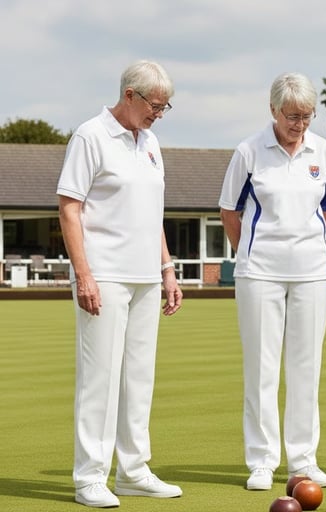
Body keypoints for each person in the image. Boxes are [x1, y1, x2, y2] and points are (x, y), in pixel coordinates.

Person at [57, 60, 183, 508]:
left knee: (139, 378)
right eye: (155, 106)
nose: (159, 115)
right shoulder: (90, 136)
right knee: (100, 378)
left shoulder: (150, 142)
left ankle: (133, 471)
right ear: (129, 95)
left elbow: (153, 214)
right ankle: (90, 477)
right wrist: (84, 275)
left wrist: (167, 269)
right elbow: (69, 208)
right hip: (105, 275)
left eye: (165, 107)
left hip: (147, 275)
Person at [219, 72, 326, 491]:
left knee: (307, 367)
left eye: (307, 116)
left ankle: (303, 461)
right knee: (262, 368)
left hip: (312, 272)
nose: (299, 124)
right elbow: (229, 212)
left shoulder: (323, 151)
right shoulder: (248, 151)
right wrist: (249, 252)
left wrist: (303, 243)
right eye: (292, 116)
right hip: (259, 273)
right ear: (273, 109)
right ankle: (262, 462)